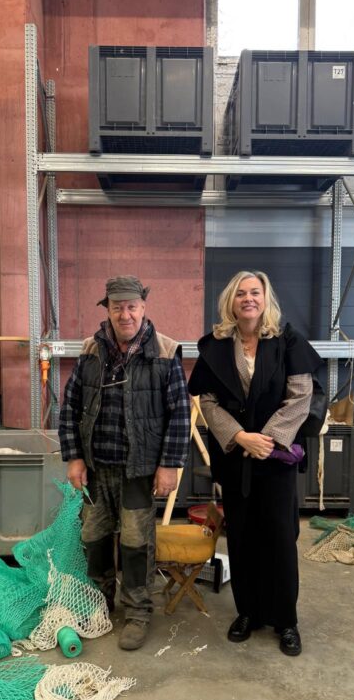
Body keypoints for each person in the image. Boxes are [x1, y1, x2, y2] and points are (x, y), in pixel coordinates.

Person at [188, 271, 322, 656]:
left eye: (255, 292)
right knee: (242, 538)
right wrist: (240, 437)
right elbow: (208, 401)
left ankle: (285, 620)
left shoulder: (287, 341)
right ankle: (248, 612)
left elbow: (301, 396)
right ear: (230, 301)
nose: (248, 299)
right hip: (236, 459)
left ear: (265, 299)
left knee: (279, 539)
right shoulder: (216, 346)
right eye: (241, 293)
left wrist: (268, 439)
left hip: (275, 461)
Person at [59, 275, 190, 650]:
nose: (125, 314)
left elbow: (180, 415)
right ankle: (99, 603)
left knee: (135, 542)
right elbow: (70, 409)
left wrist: (169, 465)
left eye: (132, 306)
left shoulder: (164, 352)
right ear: (108, 309)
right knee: (93, 537)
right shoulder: (91, 350)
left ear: (143, 308)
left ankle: (137, 612)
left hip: (139, 470)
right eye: (117, 307)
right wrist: (74, 458)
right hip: (96, 469)